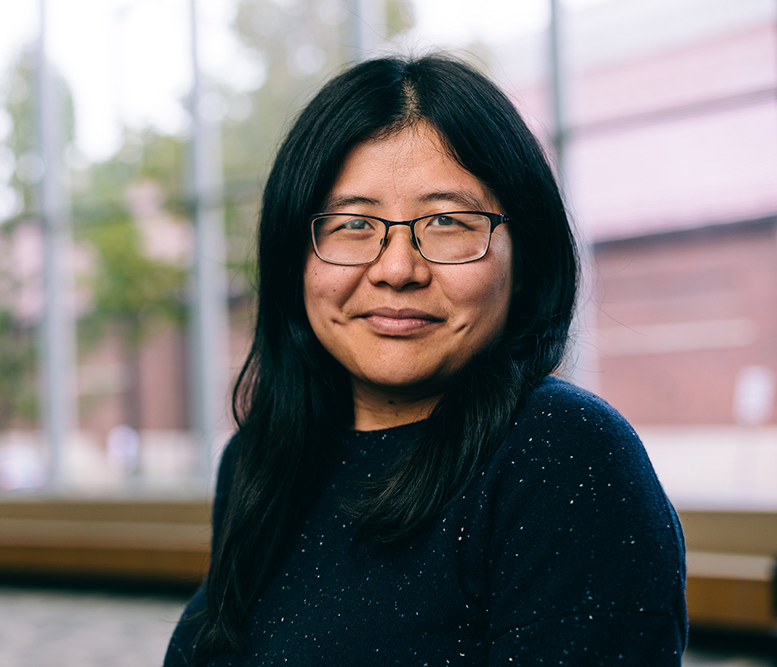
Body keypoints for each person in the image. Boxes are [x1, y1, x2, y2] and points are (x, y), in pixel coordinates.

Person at [164, 54, 687, 666]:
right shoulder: (264, 458)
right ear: (294, 258)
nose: (396, 270)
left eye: (446, 221)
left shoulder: (564, 456)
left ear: (525, 257)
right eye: (353, 223)